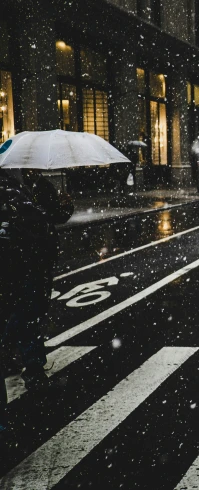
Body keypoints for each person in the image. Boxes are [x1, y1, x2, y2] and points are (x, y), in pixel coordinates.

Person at [1, 169, 72, 433]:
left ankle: (20, 357)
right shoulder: (9, 189)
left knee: (31, 312)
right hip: (20, 265)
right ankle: (30, 365)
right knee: (25, 312)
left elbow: (52, 217)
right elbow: (33, 221)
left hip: (38, 262)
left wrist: (65, 206)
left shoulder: (39, 185)